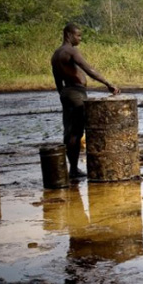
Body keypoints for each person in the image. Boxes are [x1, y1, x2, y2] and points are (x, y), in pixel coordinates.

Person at [51, 23, 120, 179]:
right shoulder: (70, 51)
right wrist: (108, 84)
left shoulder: (56, 54)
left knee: (69, 132)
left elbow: (57, 79)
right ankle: (74, 170)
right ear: (68, 34)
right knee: (76, 131)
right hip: (76, 93)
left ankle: (72, 168)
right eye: (78, 35)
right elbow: (89, 69)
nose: (79, 38)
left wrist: (62, 94)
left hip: (67, 92)